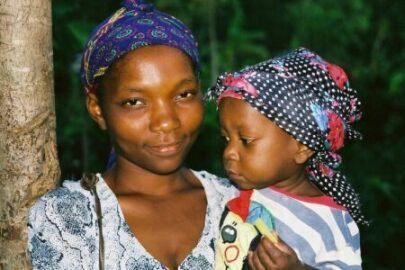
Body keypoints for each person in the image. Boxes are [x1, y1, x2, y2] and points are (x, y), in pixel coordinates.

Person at [27, 1, 238, 269]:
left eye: (183, 94)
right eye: (135, 102)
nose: (166, 122)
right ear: (97, 109)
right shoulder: (67, 219)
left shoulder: (238, 204)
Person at [207, 47, 367, 269]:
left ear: (302, 148)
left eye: (245, 140)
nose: (229, 152)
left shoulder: (333, 222)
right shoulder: (227, 192)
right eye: (226, 139)